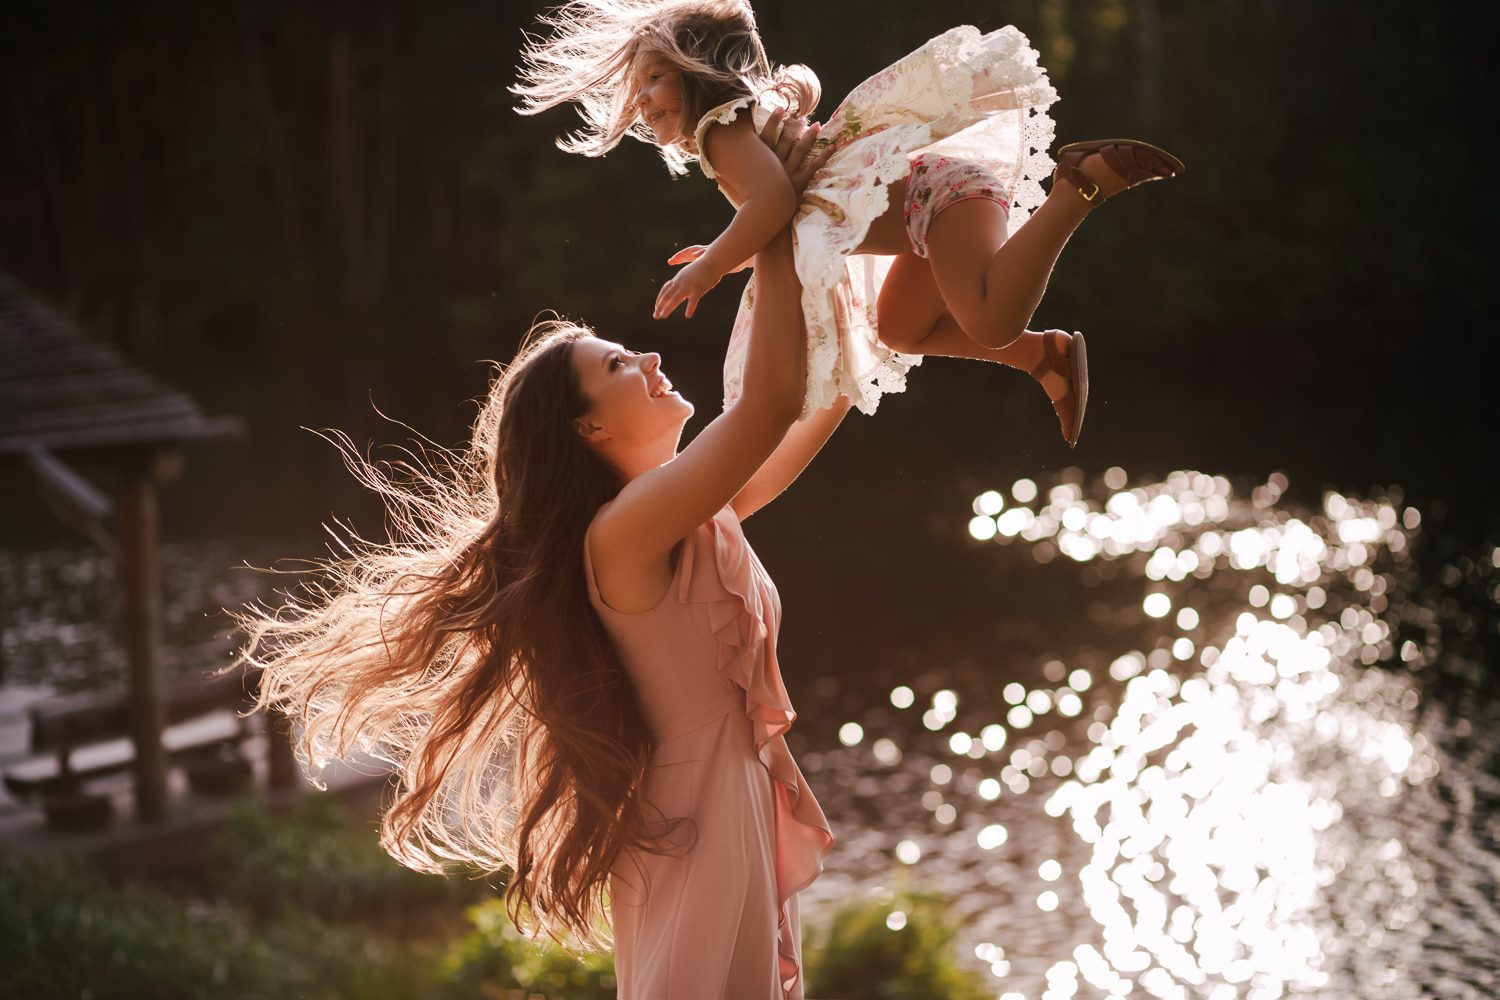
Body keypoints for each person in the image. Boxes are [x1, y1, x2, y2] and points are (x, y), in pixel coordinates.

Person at [235, 117, 841, 999]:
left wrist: (841, 267)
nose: (652, 355)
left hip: (716, 808)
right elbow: (770, 403)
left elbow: (802, 409)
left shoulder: (683, 513)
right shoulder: (625, 533)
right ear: (590, 429)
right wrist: (774, 220)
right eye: (622, 364)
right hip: (698, 824)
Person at [512, 0, 1185, 447]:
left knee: (987, 316)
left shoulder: (722, 132)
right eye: (639, 86)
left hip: (937, 194)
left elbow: (773, 204)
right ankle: (1045, 356)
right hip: (924, 212)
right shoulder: (736, 131)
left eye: (656, 78)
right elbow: (786, 209)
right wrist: (741, 251)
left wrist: (715, 262)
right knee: (896, 327)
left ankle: (1079, 186)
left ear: (701, 75)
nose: (644, 98)